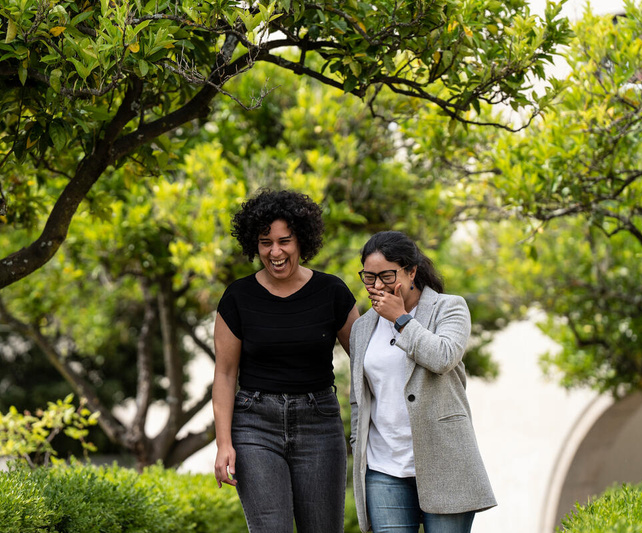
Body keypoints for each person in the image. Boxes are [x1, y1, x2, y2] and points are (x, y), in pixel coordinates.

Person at [212, 189, 359, 533]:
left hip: (319, 424)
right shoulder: (238, 297)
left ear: (301, 241)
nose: (275, 252)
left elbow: (368, 359)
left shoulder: (332, 292)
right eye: (265, 242)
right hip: (255, 426)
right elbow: (224, 374)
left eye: (284, 241)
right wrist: (224, 444)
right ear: (254, 244)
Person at [349, 231, 496, 533]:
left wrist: (401, 319)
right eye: (368, 277)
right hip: (383, 468)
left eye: (387, 276)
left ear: (411, 271)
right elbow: (359, 398)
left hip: (444, 462)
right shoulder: (362, 327)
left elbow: (443, 357)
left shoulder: (449, 308)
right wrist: (356, 443)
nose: (377, 286)